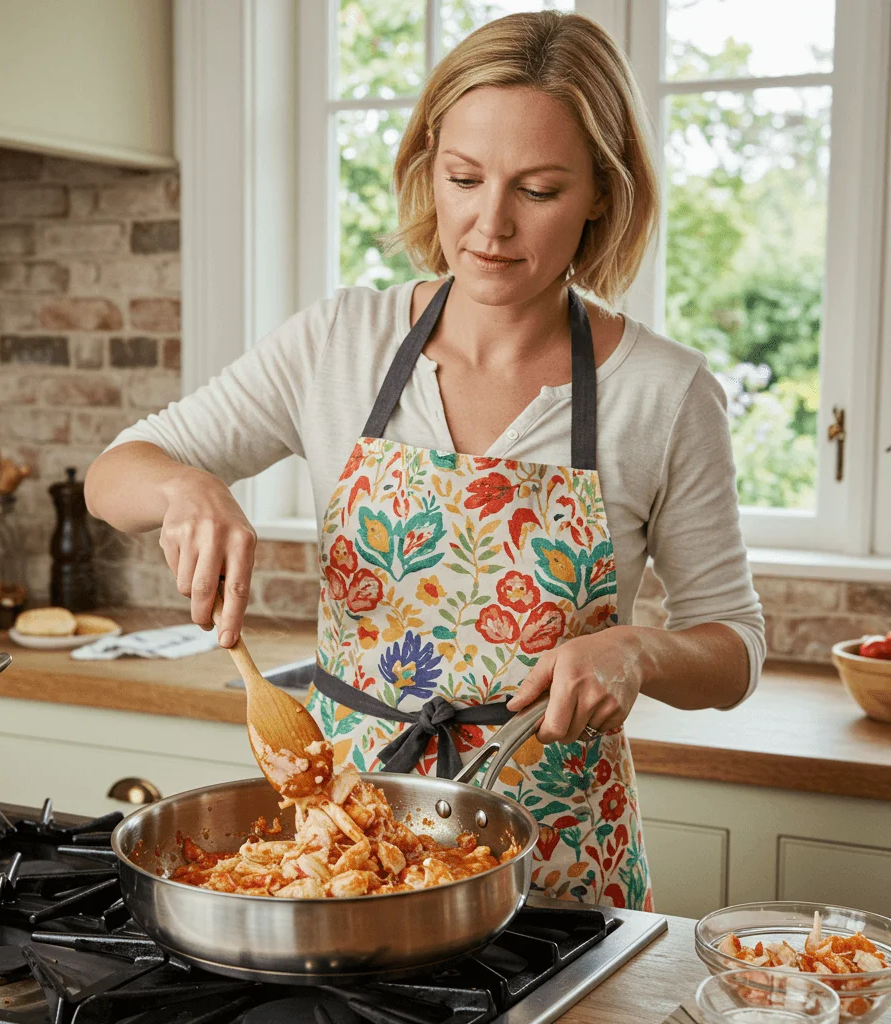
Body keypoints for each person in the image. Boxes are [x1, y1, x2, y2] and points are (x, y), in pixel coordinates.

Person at [85, 10, 765, 910]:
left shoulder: (664, 392)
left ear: (603, 190)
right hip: (339, 857)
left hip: (556, 870)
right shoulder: (339, 343)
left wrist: (637, 650)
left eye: (541, 189)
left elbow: (735, 646)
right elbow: (114, 476)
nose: (490, 224)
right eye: (465, 178)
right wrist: (185, 483)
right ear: (428, 167)